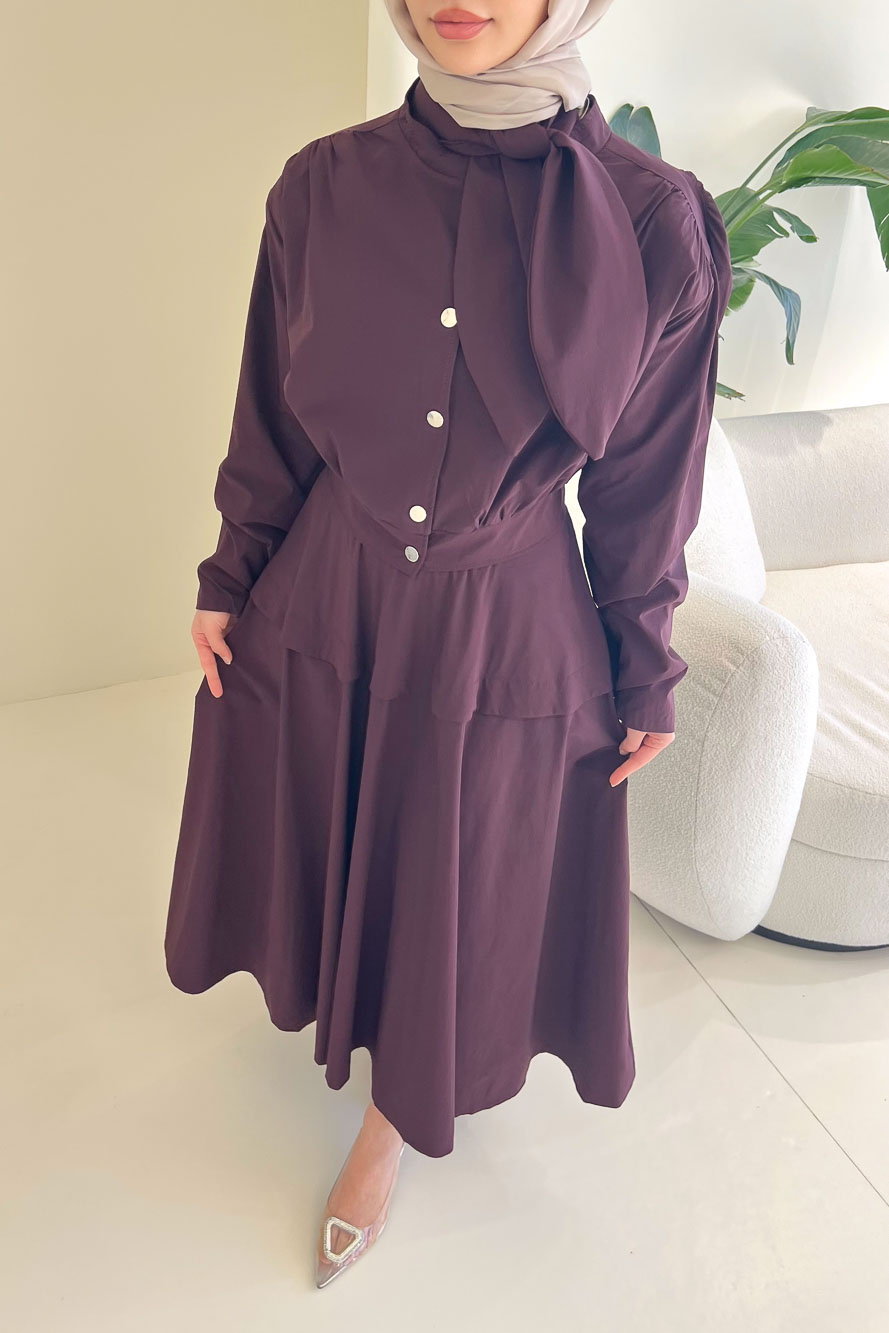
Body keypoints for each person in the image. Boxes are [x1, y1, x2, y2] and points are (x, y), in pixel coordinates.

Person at [164, 0, 733, 1291]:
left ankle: (392, 1122)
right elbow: (272, 418)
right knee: (340, 828)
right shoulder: (322, 188)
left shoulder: (656, 223)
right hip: (328, 596)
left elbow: (646, 486)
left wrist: (642, 659)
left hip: (505, 625)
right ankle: (340, 1022)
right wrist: (230, 571)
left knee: (460, 873)